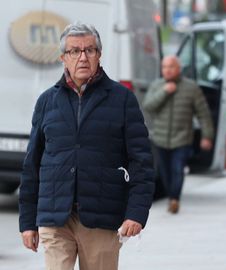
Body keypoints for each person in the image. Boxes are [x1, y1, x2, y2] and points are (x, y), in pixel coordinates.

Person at [19, 22, 154, 270]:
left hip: (101, 216)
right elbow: (32, 164)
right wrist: (27, 222)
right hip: (55, 216)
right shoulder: (47, 101)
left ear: (99, 55)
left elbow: (141, 161)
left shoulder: (122, 100)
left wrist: (136, 213)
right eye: (74, 51)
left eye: (89, 50)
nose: (82, 57)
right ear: (63, 58)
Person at [143, 55, 214, 214]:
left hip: (182, 138)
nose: (167, 70)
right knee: (164, 172)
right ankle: (171, 196)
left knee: (177, 169)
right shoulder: (157, 85)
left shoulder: (191, 88)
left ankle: (174, 199)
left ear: (178, 69)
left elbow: (203, 114)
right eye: (164, 67)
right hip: (160, 139)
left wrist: (207, 136)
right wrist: (164, 92)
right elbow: (148, 106)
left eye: (171, 67)